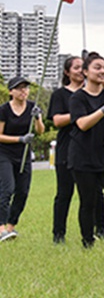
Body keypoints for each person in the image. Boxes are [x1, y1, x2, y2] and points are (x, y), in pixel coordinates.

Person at [68, 52, 104, 247]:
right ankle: (87, 241)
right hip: (83, 156)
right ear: (85, 72)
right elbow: (82, 124)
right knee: (88, 202)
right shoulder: (77, 98)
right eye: (97, 67)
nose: (103, 71)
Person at [48, 55, 104, 243]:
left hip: (91, 148)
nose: (80, 71)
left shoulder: (93, 92)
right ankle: (58, 234)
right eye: (76, 68)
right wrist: (79, 113)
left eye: (83, 67)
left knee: (96, 192)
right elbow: (57, 120)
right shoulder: (60, 94)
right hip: (68, 148)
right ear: (67, 72)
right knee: (64, 192)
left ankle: (101, 229)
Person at [0, 76, 44, 242]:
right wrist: (20, 139)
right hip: (4, 154)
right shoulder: (4, 110)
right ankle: (1, 229)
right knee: (7, 189)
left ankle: (11, 227)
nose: (23, 91)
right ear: (11, 92)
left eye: (25, 87)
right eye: (19, 88)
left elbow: (40, 131)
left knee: (23, 191)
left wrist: (37, 118)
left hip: (24, 154)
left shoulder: (33, 107)